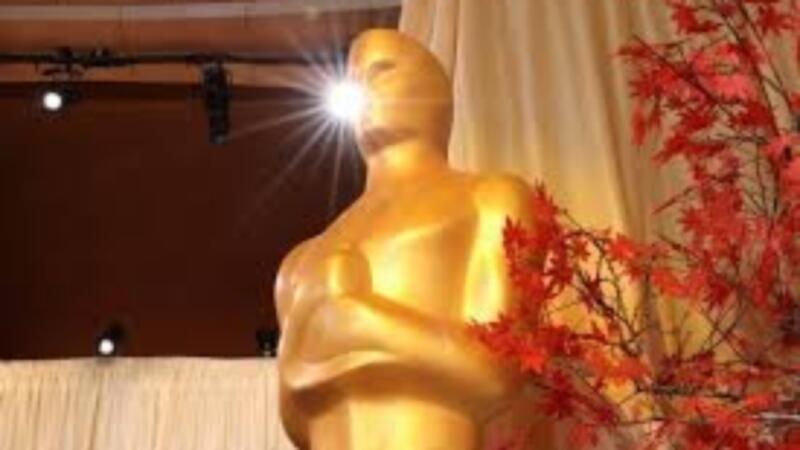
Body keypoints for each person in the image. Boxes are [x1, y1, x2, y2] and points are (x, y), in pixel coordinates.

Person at [275, 29, 538, 450]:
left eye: (381, 71)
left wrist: (352, 319)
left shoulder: (489, 199)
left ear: (433, 91)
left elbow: (497, 371)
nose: (364, 88)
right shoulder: (300, 262)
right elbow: (294, 416)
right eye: (355, 79)